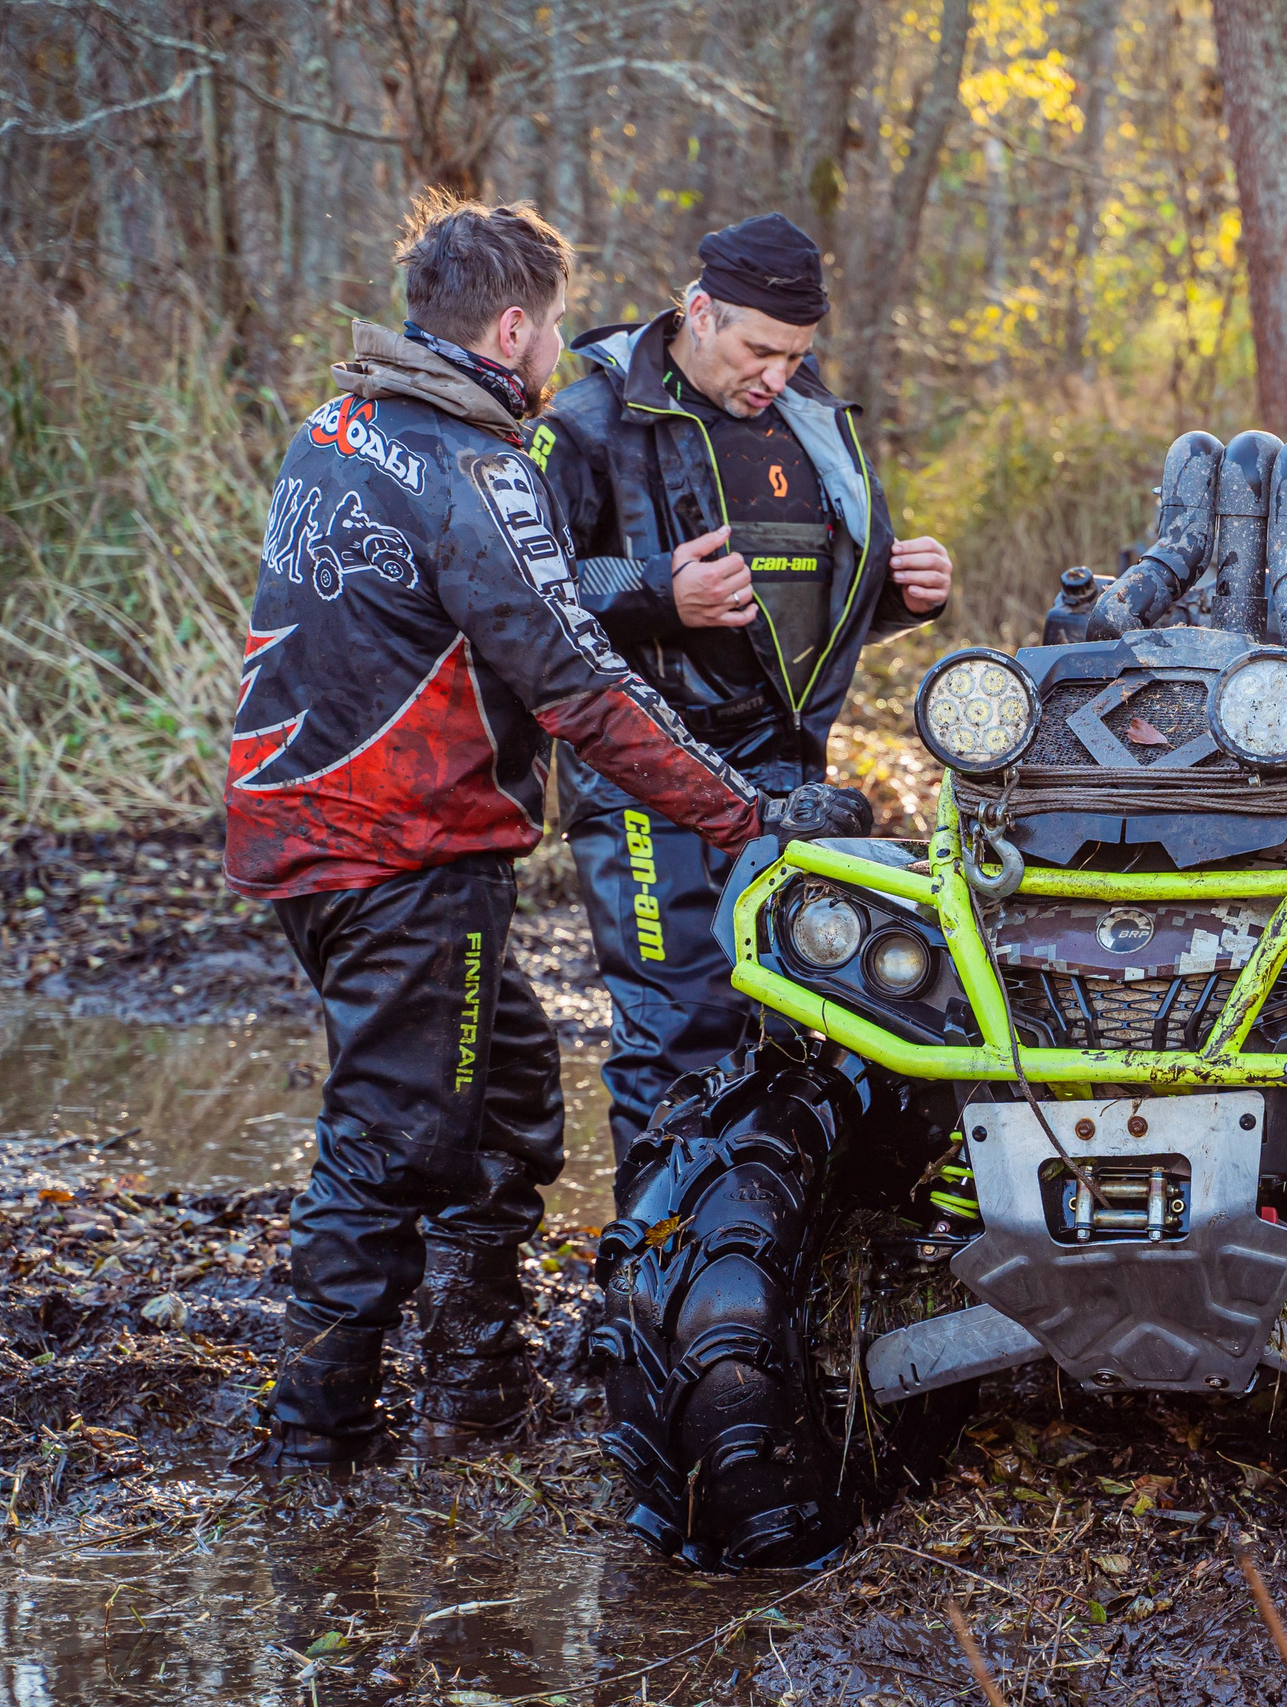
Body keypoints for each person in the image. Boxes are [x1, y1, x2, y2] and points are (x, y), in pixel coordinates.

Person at [226, 193, 844, 1468]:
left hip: (307, 837)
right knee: (391, 1143)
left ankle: (475, 1382)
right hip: (401, 855)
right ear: (512, 328)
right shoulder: (478, 473)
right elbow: (582, 689)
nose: (559, 353)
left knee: (506, 1104)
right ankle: (311, 1447)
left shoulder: (333, 429)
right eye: (554, 328)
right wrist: (750, 815)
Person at [534, 213, 951, 1184]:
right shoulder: (590, 419)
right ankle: (646, 1290)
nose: (775, 373)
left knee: (794, 1016)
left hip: (785, 777)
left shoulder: (816, 423)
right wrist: (655, 592)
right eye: (759, 349)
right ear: (699, 311)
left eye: (796, 352)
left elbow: (810, 606)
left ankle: (761, 1260)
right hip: (641, 774)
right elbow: (527, 594)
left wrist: (901, 591)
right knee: (676, 1030)